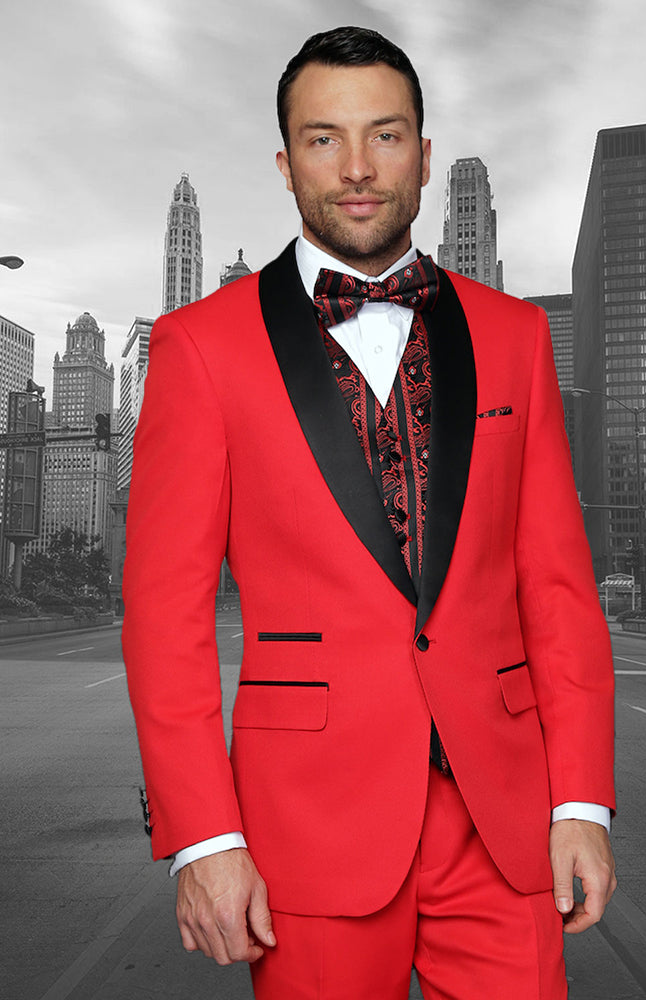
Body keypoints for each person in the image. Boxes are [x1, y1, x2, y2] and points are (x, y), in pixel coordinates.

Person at [123, 25, 616, 1000]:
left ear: (424, 155)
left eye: (385, 135)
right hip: (306, 826)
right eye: (322, 138)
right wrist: (205, 837)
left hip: (502, 818)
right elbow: (165, 614)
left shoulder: (514, 336)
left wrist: (581, 799)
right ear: (284, 160)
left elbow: (555, 583)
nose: (355, 167)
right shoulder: (201, 347)